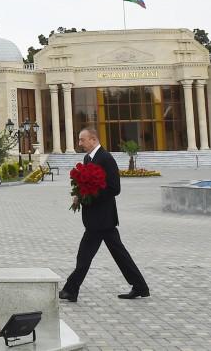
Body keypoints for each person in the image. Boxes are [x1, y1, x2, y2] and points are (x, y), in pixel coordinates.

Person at [59, 128, 149, 302]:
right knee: (119, 254)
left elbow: (115, 188)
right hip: (97, 219)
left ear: (93, 139)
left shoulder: (106, 158)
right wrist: (80, 194)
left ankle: (71, 289)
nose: (79, 143)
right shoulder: (87, 158)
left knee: (84, 256)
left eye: (82, 140)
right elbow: (85, 184)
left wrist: (90, 196)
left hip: (102, 218)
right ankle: (140, 286)